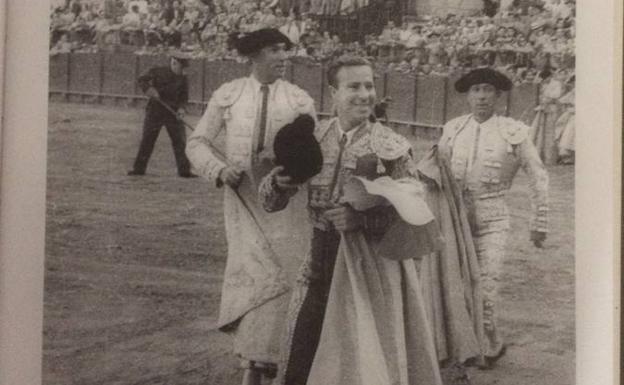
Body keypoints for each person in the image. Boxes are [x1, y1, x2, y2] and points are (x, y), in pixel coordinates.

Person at [259, 55, 442, 385]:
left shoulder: (391, 145)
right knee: (302, 348)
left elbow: (417, 210)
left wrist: (363, 221)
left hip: (366, 264)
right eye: (353, 86)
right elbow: (270, 202)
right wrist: (278, 184)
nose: (364, 94)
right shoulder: (311, 137)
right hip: (316, 260)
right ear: (334, 92)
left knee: (360, 357)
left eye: (369, 85)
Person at [185, 28, 316, 385]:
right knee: (253, 277)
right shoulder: (228, 96)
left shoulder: (299, 100)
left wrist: (292, 177)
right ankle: (252, 366)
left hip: (287, 206)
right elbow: (196, 144)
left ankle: (276, 368)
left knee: (284, 280)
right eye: (275, 50)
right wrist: (218, 169)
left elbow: (311, 157)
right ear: (255, 55)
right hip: (241, 201)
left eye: (285, 51)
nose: (283, 57)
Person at [437, 67, 548, 369]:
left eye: (488, 90)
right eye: (476, 90)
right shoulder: (453, 129)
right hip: (455, 219)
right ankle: (477, 343)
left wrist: (539, 223)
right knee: (456, 285)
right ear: (468, 95)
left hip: (494, 218)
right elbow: (435, 173)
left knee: (486, 286)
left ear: (498, 95)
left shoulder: (513, 131)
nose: (482, 96)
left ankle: (486, 346)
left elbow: (538, 175)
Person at [127, 53, 196, 177]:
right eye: (181, 67)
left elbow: (184, 97)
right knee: (148, 140)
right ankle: (139, 169)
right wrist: (149, 89)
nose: (183, 71)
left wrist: (181, 109)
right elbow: (141, 79)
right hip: (155, 111)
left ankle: (185, 171)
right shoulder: (157, 71)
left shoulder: (183, 78)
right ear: (174, 62)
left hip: (173, 113)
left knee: (180, 141)